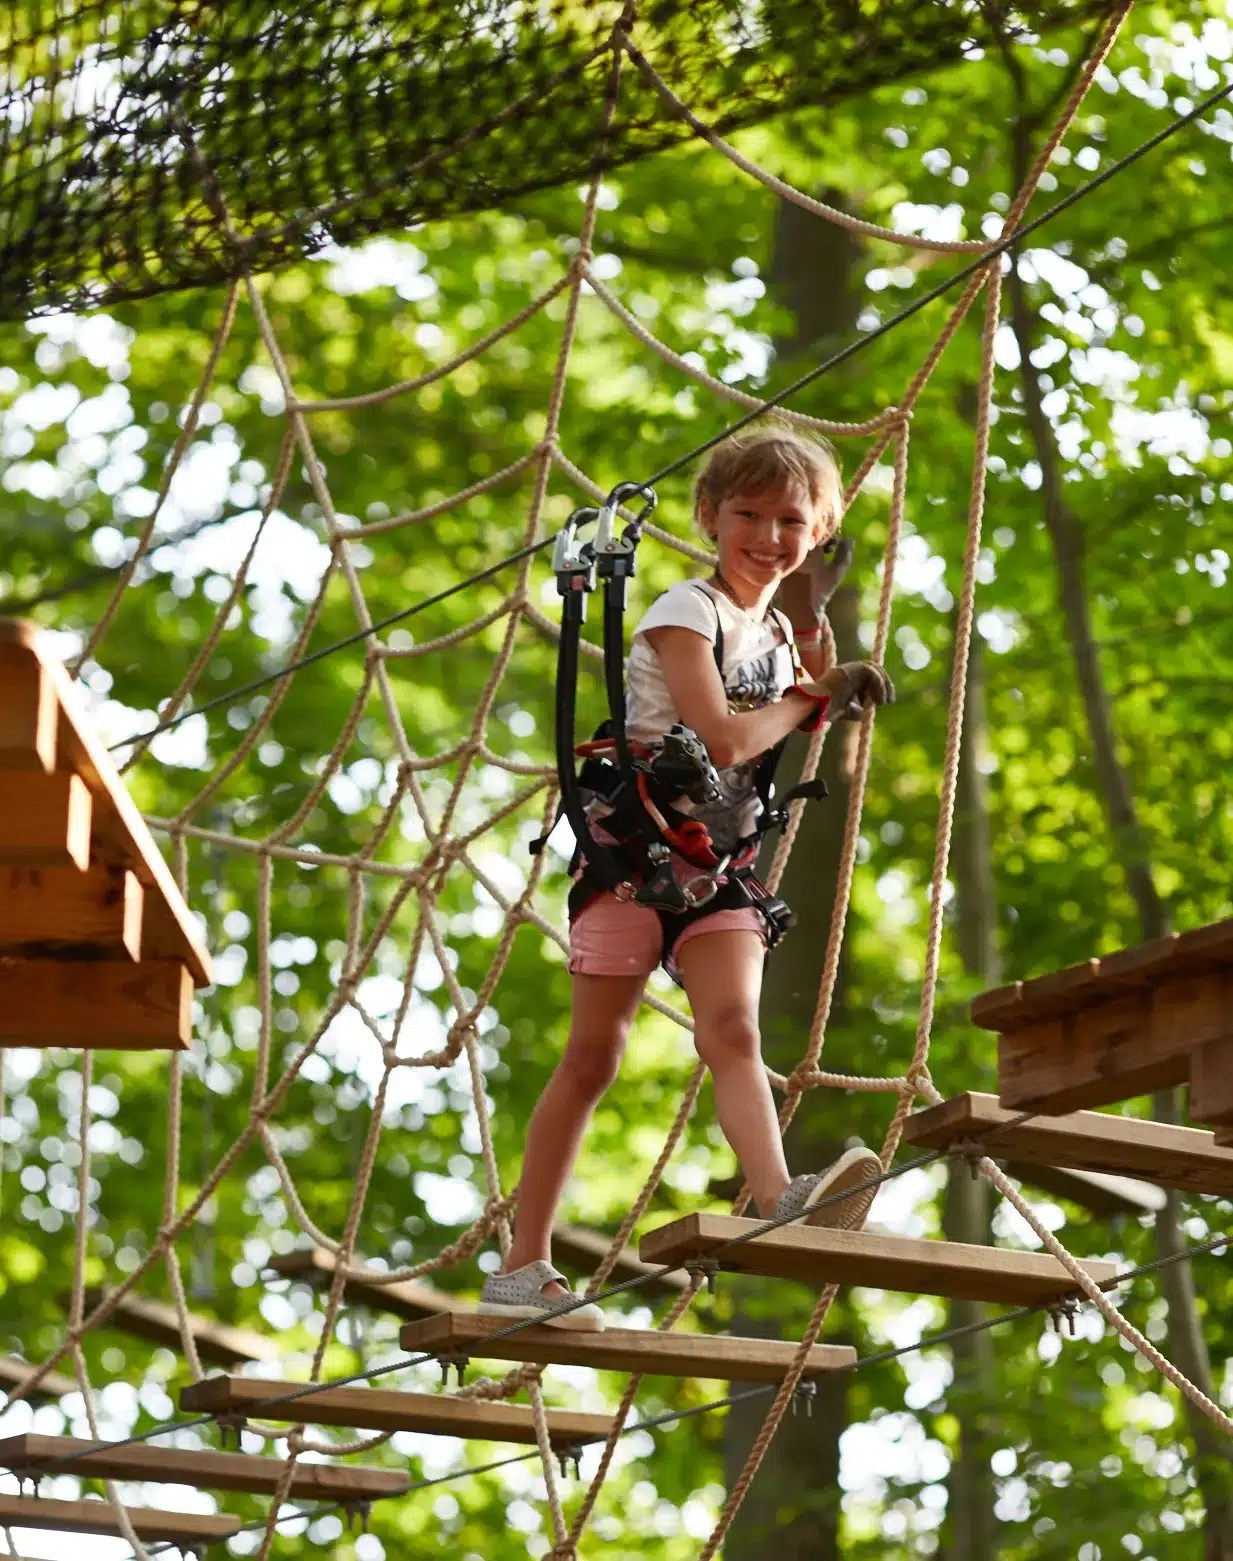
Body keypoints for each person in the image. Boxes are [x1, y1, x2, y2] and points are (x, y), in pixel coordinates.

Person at [480, 426, 895, 1329]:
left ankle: (781, 1195)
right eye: (747, 514)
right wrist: (816, 693)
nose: (768, 535)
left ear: (818, 530)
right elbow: (724, 735)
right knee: (594, 1056)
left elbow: (802, 702)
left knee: (735, 1029)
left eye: (792, 520)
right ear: (709, 517)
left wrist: (816, 637)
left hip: (720, 867)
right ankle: (523, 1265)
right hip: (632, 851)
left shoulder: (782, 630)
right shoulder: (685, 609)